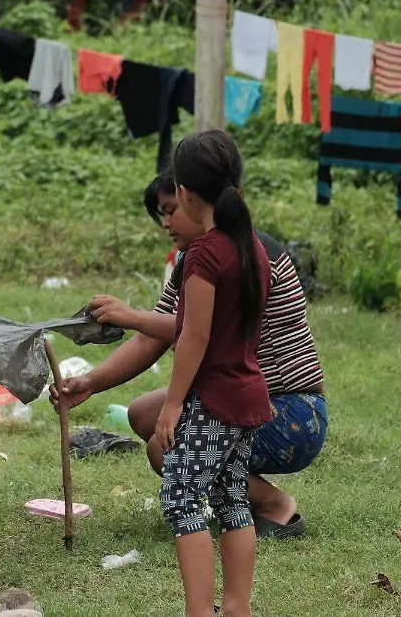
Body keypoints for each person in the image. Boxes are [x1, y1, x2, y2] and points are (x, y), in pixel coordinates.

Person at [55, 131, 272, 617]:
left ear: (189, 194)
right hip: (246, 396)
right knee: (233, 497)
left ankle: (200, 611)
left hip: (214, 401)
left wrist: (173, 404)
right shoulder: (251, 247)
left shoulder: (204, 254)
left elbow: (191, 336)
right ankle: (236, 608)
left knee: (181, 497)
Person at [56, 169, 326, 540]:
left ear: (193, 200)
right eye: (161, 215)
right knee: (143, 414)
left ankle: (274, 504)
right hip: (240, 399)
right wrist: (90, 383)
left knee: (165, 451)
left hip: (289, 411)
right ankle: (237, 503)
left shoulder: (249, 254)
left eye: (171, 210)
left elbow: (206, 331)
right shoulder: (195, 259)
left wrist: (131, 316)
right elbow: (154, 336)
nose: (166, 224)